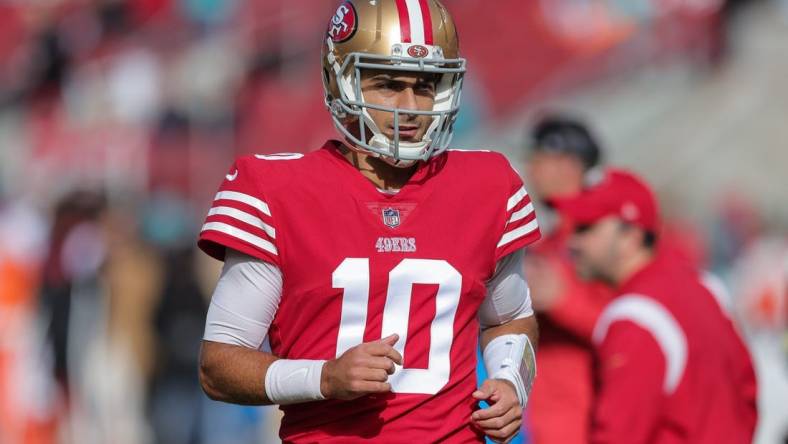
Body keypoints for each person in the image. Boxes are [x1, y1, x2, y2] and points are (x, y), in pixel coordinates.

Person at [196, 1, 541, 442]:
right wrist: (323, 377)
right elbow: (219, 366)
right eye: (389, 84)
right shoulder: (276, 190)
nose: (412, 107)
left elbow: (511, 316)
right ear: (340, 80)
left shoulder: (488, 186)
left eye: (426, 85)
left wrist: (512, 379)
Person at [554, 168, 758, 444]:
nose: (572, 240)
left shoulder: (635, 316)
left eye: (586, 228)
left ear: (632, 236)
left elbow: (617, 436)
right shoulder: (704, 285)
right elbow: (746, 394)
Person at [522, 115, 613, 444]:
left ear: (569, 164)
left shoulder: (607, 239)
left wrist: (563, 300)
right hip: (548, 425)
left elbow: (632, 327)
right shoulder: (547, 245)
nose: (531, 171)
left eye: (538, 159)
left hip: (593, 425)